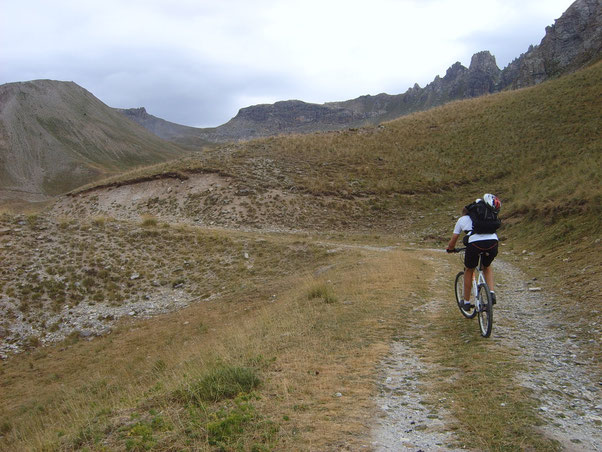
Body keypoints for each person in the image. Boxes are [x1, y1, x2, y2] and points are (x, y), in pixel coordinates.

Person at [446, 194, 501, 309]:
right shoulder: (488, 218)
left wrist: (450, 249)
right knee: (487, 266)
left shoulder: (462, 220)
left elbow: (453, 241)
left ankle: (466, 302)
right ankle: (491, 293)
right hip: (493, 243)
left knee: (469, 270)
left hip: (475, 244)